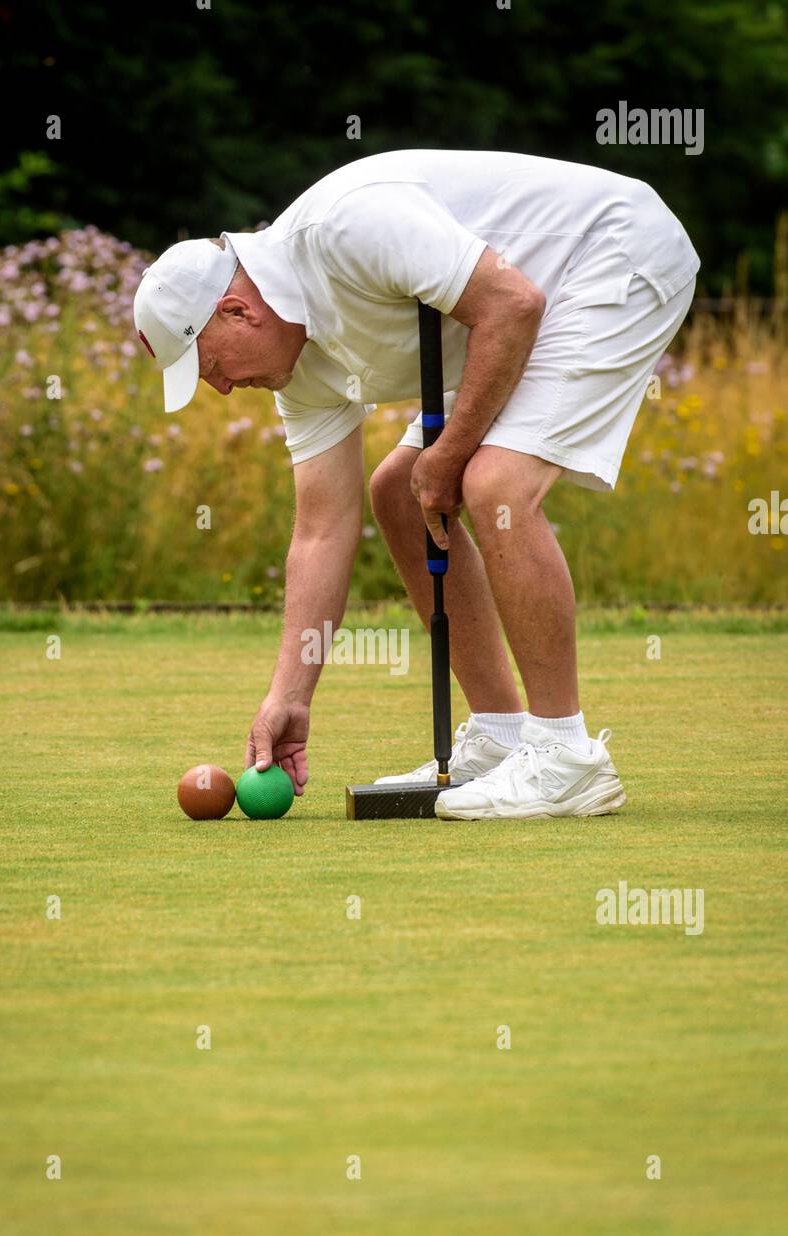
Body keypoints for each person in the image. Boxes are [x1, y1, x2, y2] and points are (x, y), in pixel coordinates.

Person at [133, 150, 698, 821]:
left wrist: (452, 452)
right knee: (400, 490)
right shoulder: (295, 368)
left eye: (209, 367)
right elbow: (321, 529)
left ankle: (566, 759)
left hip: (612, 252)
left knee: (492, 485)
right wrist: (290, 694)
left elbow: (514, 304)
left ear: (236, 311)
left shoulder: (347, 228)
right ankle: (500, 735)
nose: (222, 388)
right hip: (516, 310)